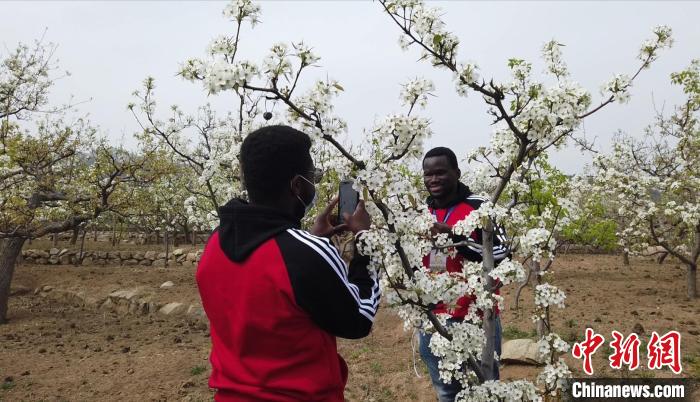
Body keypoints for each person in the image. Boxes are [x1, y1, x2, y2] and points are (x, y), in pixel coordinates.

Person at [196, 125, 380, 401]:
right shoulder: (304, 254)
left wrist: (308, 240)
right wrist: (364, 241)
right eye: (311, 176)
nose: (314, 184)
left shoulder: (215, 243)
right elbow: (359, 319)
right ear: (297, 185)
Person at [420, 146, 509, 401]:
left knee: (485, 387)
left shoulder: (480, 207)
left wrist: (457, 239)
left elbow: (503, 253)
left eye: (440, 172)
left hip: (477, 317)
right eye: (428, 174)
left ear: (457, 173)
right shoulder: (420, 213)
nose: (433, 179)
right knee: (447, 391)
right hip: (433, 319)